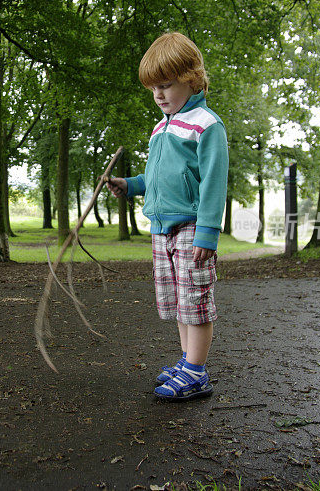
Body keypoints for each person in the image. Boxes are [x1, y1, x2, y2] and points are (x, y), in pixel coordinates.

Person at [106, 32, 228, 401]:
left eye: (165, 85)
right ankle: (187, 360)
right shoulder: (162, 128)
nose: (158, 94)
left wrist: (208, 232)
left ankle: (197, 372)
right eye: (152, 88)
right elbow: (157, 179)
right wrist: (129, 184)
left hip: (192, 227)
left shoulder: (206, 124)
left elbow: (213, 183)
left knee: (196, 300)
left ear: (191, 79)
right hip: (162, 230)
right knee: (178, 301)